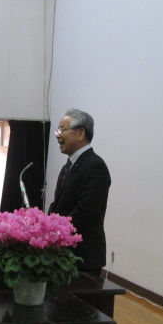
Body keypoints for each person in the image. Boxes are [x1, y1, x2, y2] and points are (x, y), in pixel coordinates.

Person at [48, 109, 111, 275]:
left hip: (82, 257)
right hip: (63, 252)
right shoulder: (68, 166)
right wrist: (47, 227)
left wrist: (57, 233)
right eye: (57, 130)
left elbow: (85, 211)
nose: (57, 135)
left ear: (80, 133)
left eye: (63, 130)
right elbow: (58, 204)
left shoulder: (94, 166)